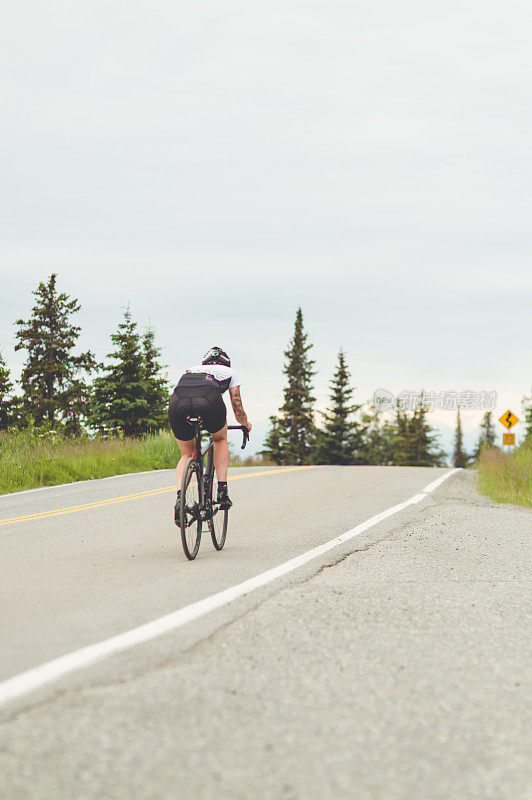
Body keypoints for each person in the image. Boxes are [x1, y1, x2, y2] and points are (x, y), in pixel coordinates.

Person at [168, 346, 252, 525]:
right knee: (219, 438)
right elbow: (237, 405)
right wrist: (245, 424)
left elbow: (182, 389)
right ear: (226, 362)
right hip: (208, 400)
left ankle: (179, 499)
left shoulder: (191, 370)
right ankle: (222, 490)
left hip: (178, 402)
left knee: (186, 453)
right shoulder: (229, 372)